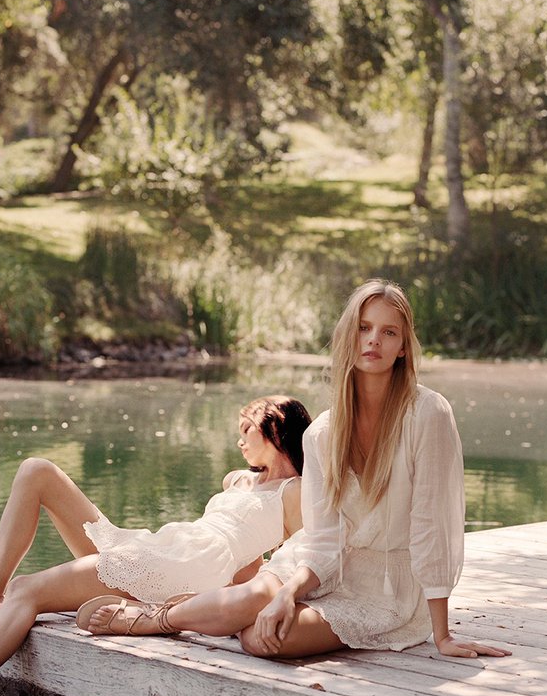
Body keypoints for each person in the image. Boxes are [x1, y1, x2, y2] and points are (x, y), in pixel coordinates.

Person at [81, 280, 510, 661]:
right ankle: (154, 618)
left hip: (384, 589)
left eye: (388, 332)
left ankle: (198, 612)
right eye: (363, 328)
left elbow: (433, 525)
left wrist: (442, 634)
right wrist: (287, 592)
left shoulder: (428, 414)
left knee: (263, 640)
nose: (373, 340)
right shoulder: (322, 432)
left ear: (403, 347)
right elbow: (322, 540)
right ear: (347, 337)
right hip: (315, 566)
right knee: (247, 604)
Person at [0, 395, 311, 696]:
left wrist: (251, 600)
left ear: (275, 430)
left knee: (27, 590)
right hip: (165, 549)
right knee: (36, 471)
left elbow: (299, 556)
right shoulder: (238, 479)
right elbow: (245, 563)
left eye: (247, 429)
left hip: (182, 567)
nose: (239, 440)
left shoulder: (297, 493)